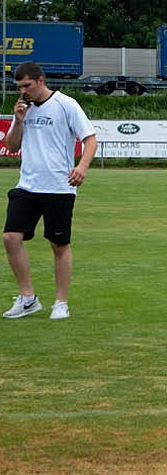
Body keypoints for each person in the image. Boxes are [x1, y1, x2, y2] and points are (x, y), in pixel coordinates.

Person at [3, 61, 97, 321]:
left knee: (59, 244)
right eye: (19, 87)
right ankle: (27, 298)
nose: (23, 92)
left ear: (40, 80)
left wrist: (82, 166)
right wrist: (19, 121)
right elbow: (11, 146)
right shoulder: (23, 109)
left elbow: (90, 138)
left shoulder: (66, 104)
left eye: (26, 86)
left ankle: (61, 302)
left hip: (59, 187)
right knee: (11, 237)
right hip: (27, 185)